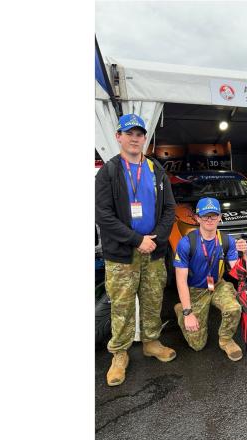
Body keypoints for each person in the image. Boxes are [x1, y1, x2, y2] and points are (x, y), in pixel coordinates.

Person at [95, 113, 178, 387]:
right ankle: (119, 353)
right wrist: (136, 240)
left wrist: (156, 238)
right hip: (122, 254)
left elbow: (169, 209)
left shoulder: (156, 170)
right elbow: (103, 215)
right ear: (118, 137)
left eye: (139, 134)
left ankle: (151, 342)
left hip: (153, 251)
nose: (134, 138)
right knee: (121, 305)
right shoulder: (109, 172)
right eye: (128, 133)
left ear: (145, 138)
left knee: (153, 299)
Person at [173, 197, 247, 361]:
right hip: (195, 289)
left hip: (217, 285)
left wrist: (244, 254)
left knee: (234, 308)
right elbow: (180, 280)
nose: (209, 219)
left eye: (213, 215)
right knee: (197, 345)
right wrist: (187, 313)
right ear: (197, 218)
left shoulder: (227, 241)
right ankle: (181, 309)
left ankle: (226, 340)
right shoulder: (186, 243)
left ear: (220, 217)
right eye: (205, 216)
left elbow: (239, 274)